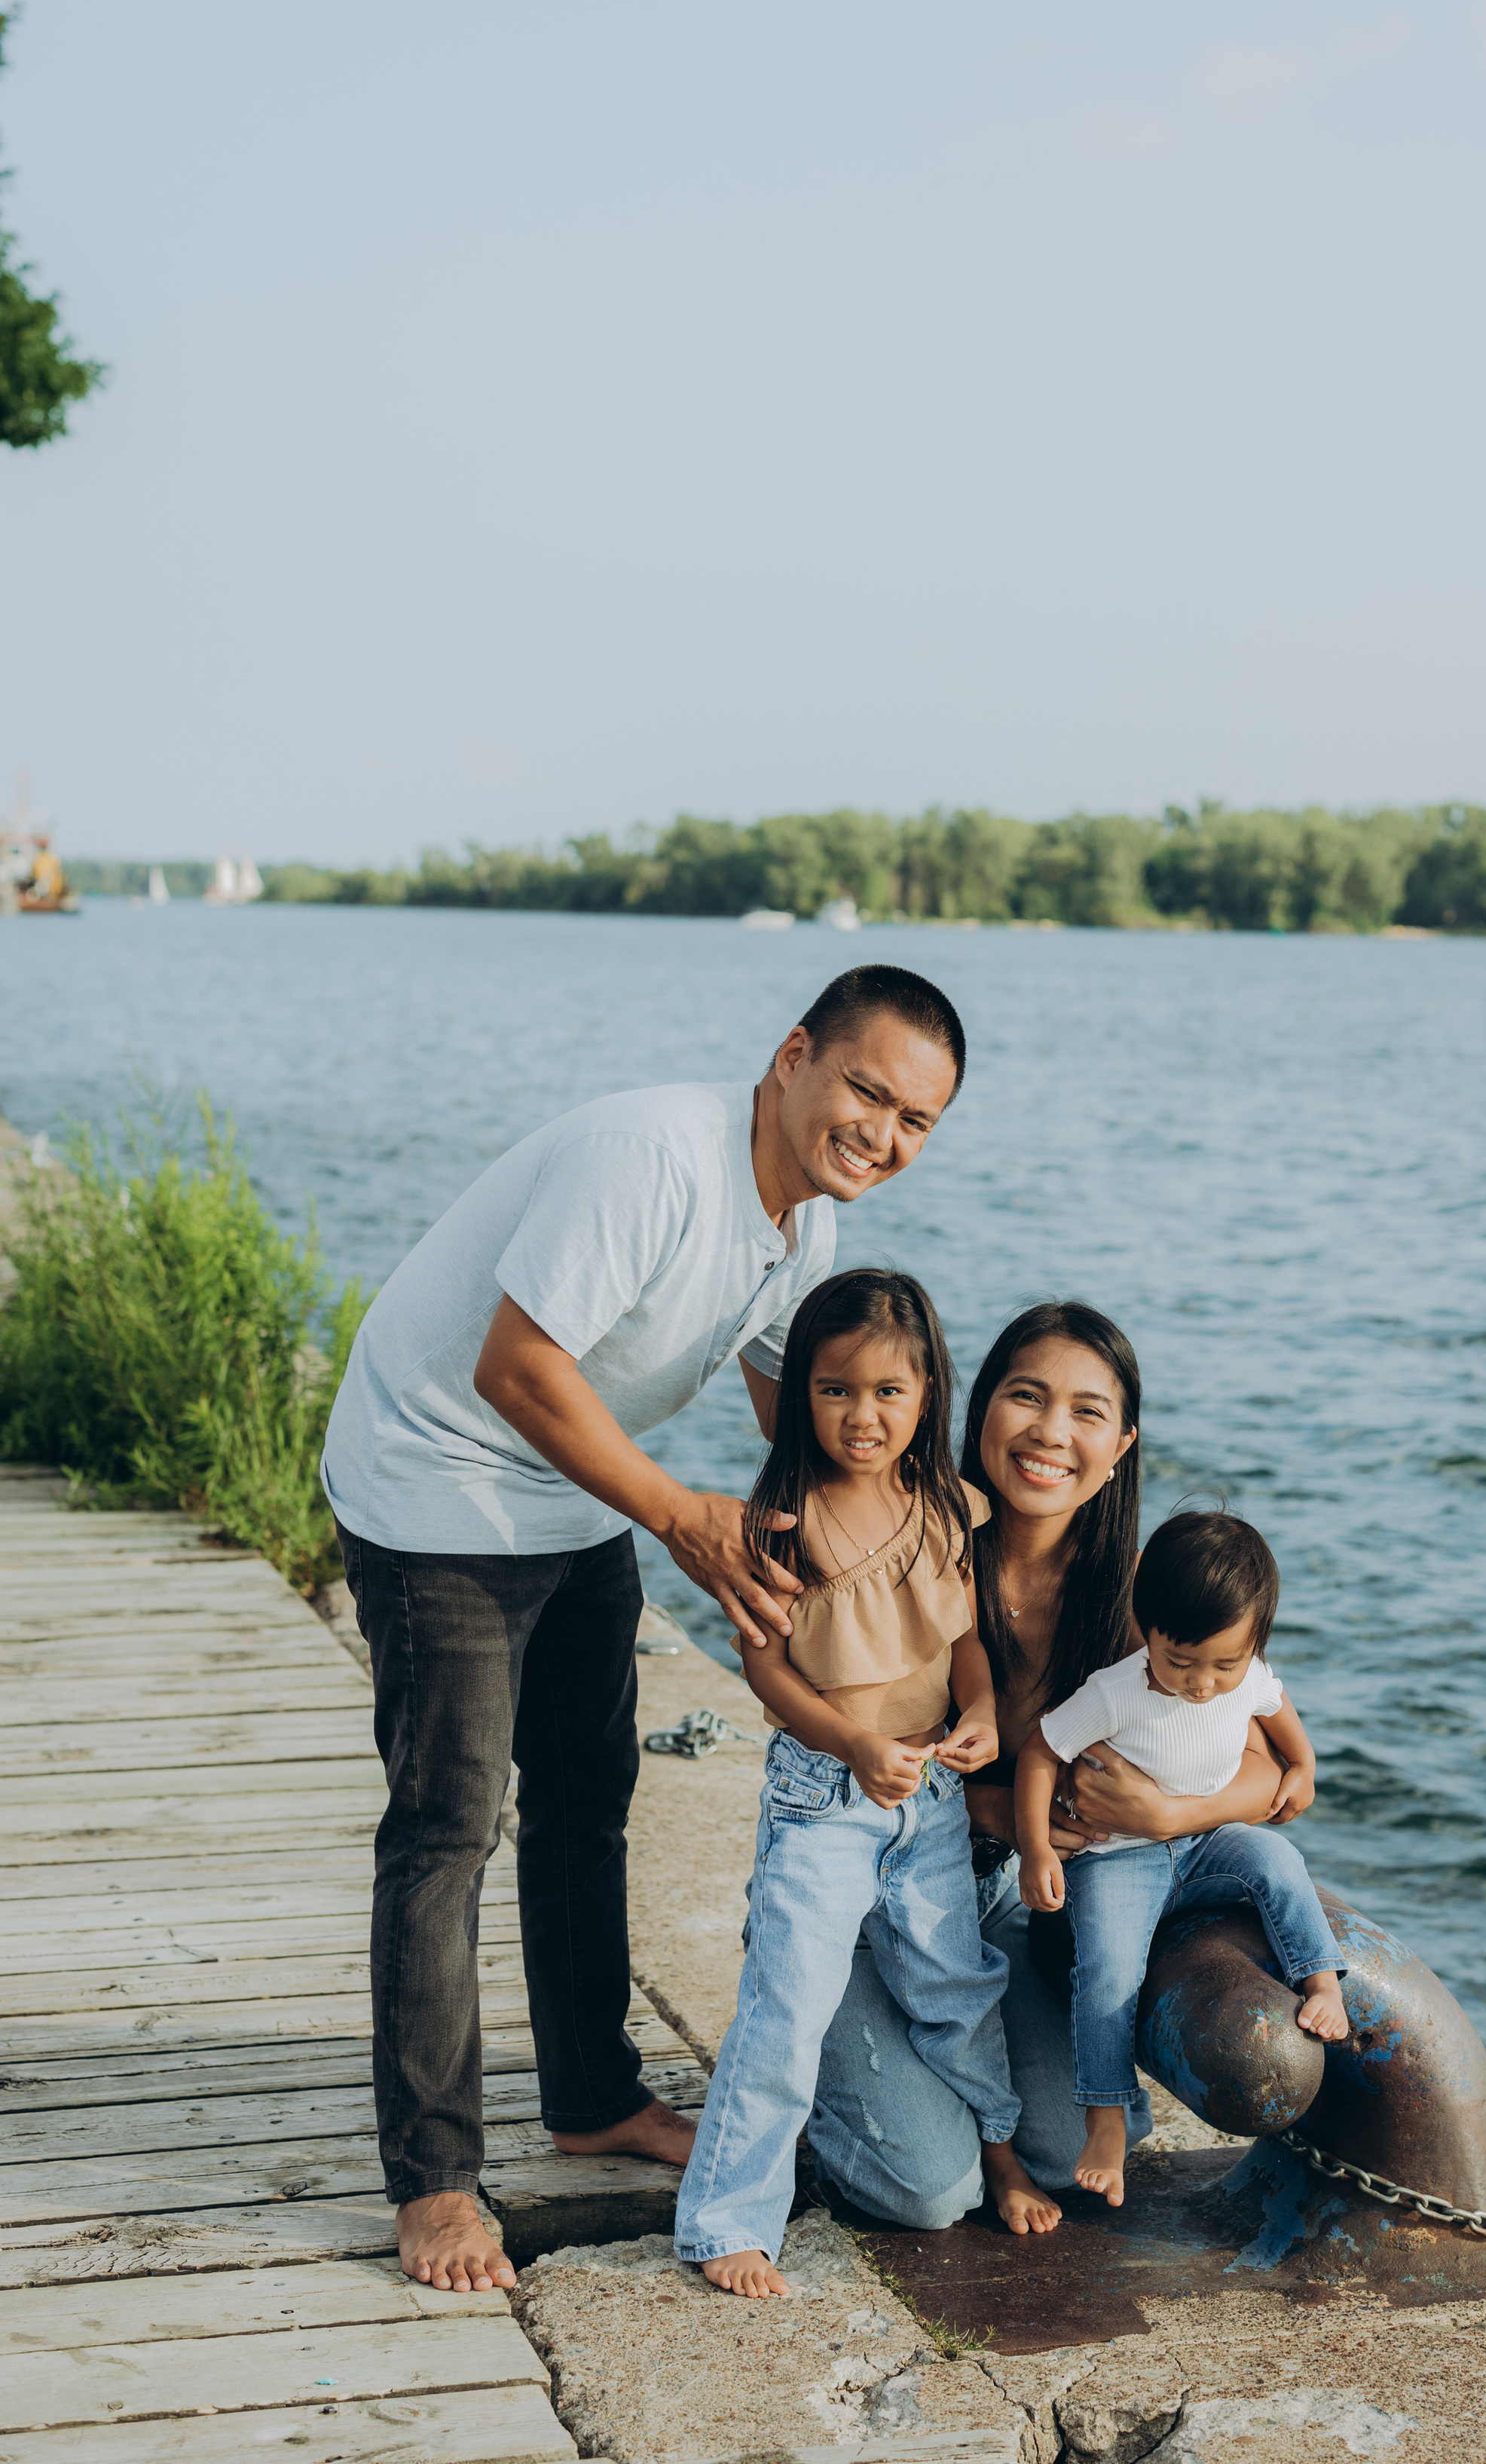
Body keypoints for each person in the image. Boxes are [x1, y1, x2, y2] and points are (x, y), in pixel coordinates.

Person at [321, 965, 966, 2294]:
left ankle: (592, 2098)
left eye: (917, 1121)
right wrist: (682, 1517)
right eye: (866, 1089)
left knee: (587, 1793)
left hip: (565, 1482)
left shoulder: (808, 1233)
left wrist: (904, 1546)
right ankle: (434, 2181)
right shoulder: (656, 1158)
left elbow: (794, 1415)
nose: (883, 1135)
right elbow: (514, 1367)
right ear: (794, 1057)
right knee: (449, 1823)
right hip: (435, 1472)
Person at [806, 1301, 1304, 2224]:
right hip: (874, 1893)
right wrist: (994, 1811)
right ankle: (831, 2086)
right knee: (928, 2190)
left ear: (1121, 1446)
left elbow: (1267, 1774)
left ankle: (933, 2089)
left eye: (1086, 1412)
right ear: (977, 1411)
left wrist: (1164, 1818)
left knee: (1075, 2152)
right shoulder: (908, 1544)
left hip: (1020, 1912)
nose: (1050, 1432)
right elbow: (835, 1756)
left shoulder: (1143, 1593)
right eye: (1025, 1397)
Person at [673, 1269, 1059, 2297]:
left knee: (956, 1985)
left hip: (927, 1795)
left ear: (930, 1393)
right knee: (786, 2005)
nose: (863, 1415)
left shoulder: (941, 1507)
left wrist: (977, 1714)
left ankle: (999, 2148)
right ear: (802, 1390)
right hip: (823, 1797)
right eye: (837, 1389)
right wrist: (849, 1742)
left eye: (890, 1391)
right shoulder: (783, 1519)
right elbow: (765, 1672)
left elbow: (965, 1640)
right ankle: (727, 2222)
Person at [1015, 1506, 1349, 2205]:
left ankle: (1320, 1980)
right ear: (1147, 1627)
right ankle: (1106, 2113)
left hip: (1203, 1846)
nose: (1202, 1684)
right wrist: (1036, 1847)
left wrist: (1304, 1764)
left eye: (1223, 1665)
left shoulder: (1247, 1674)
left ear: (1253, 1642)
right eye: (1181, 1662)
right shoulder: (1116, 1691)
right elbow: (1042, 1751)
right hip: (1120, 1860)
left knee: (1277, 1858)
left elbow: (1277, 1708)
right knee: (1106, 1966)